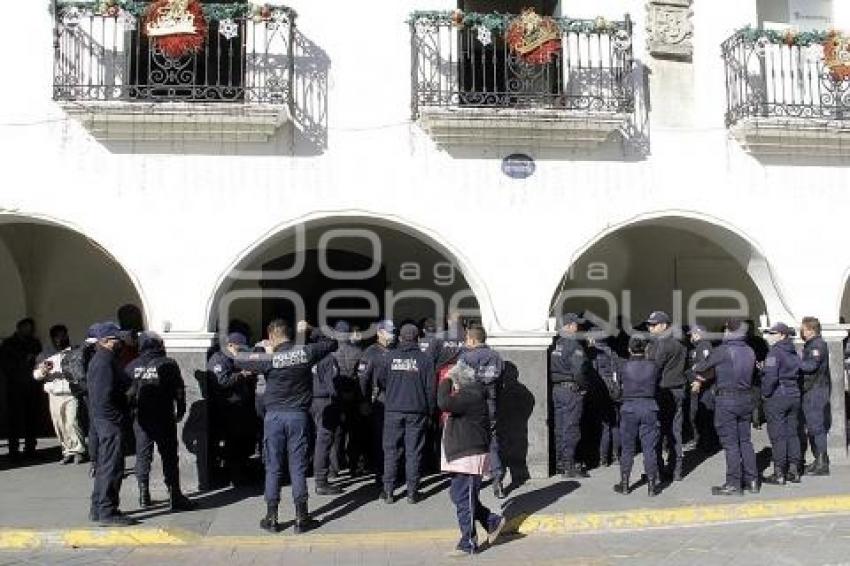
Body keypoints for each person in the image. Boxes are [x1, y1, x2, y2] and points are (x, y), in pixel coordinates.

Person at [237, 319, 338, 534]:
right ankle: (302, 518)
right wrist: (311, 329)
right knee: (298, 467)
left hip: (273, 418)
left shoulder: (268, 357)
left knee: (273, 467)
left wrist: (255, 348)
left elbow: (241, 361)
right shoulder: (305, 352)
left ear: (272, 336)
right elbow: (332, 343)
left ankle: (272, 518)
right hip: (298, 417)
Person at [438, 361, 506, 557]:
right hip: (462, 454)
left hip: (468, 455)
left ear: (458, 381)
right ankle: (491, 521)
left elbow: (443, 402)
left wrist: (447, 379)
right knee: (460, 497)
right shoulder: (469, 394)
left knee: (464, 499)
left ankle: (468, 542)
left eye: (453, 383)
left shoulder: (470, 395)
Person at [126, 332, 194, 511]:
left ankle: (144, 495)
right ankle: (174, 496)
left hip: (141, 418)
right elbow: (178, 389)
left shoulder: (132, 365)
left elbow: (126, 393)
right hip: (164, 416)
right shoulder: (168, 364)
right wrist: (181, 408)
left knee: (143, 455)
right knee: (169, 456)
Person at [692, 319, 758, 496]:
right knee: (745, 440)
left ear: (729, 331)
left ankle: (733, 483)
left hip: (727, 400)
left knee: (730, 444)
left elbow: (702, 366)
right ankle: (752, 480)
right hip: (746, 398)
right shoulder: (749, 350)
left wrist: (696, 368)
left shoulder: (722, 350)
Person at [378, 323, 436, 504]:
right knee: (414, 452)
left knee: (391, 451)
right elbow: (430, 389)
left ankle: (388, 491)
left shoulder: (389, 357)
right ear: (418, 338)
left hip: (393, 410)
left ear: (400, 338)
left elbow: (381, 381)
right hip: (417, 411)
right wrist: (431, 411)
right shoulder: (425, 359)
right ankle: (412, 492)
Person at [86, 322, 135, 525]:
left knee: (106, 465)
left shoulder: (105, 359)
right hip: (109, 421)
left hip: (104, 419)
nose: (120, 342)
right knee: (111, 466)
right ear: (105, 341)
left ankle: (98, 508)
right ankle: (108, 511)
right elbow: (103, 396)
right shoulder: (104, 361)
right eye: (116, 339)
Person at [458, 326, 506, 499]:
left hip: (472, 404)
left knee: (471, 442)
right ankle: (498, 480)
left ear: (472, 340)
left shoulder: (466, 357)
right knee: (492, 439)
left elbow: (459, 383)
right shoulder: (496, 356)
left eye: (466, 339)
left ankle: (473, 481)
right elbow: (500, 382)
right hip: (491, 403)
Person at [207, 332, 258, 485]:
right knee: (231, 444)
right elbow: (221, 382)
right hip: (227, 409)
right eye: (240, 348)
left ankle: (240, 472)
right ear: (230, 345)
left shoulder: (231, 358)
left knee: (239, 442)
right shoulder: (219, 359)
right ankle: (233, 477)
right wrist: (241, 375)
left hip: (238, 407)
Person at [32, 324, 87, 465]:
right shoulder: (44, 355)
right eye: (57, 336)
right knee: (59, 424)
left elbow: (81, 370)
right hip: (54, 394)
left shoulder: (75, 352)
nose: (60, 339)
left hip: (70, 393)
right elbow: (36, 375)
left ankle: (78, 451)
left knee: (72, 422)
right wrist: (44, 370)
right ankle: (67, 450)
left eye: (63, 335)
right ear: (52, 338)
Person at [614, 336, 661, 497]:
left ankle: (625, 484)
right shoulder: (653, 366)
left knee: (627, 448)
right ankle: (652, 486)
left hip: (629, 407)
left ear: (629, 349)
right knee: (650, 448)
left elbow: (616, 388)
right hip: (649, 406)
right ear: (645, 349)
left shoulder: (623, 366)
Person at [646, 311, 687, 482]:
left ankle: (658, 470)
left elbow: (654, 368)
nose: (650, 327)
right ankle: (676, 469)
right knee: (675, 431)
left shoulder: (662, 344)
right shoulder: (680, 342)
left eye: (654, 324)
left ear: (664, 326)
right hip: (678, 390)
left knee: (657, 431)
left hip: (663, 391)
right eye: (649, 324)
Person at [760, 322, 802, 485]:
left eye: (773, 333)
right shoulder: (794, 352)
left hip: (778, 396)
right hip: (794, 395)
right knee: (793, 434)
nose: (770, 336)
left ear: (782, 335)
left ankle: (779, 473)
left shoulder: (774, 353)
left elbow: (771, 377)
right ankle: (794, 470)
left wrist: (765, 393)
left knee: (778, 436)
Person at [549, 313, 589, 478]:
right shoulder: (574, 345)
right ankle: (568, 465)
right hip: (571, 390)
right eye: (575, 325)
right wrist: (583, 386)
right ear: (569, 326)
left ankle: (560, 462)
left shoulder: (557, 343)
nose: (577, 328)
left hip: (557, 389)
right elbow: (579, 370)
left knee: (560, 427)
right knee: (571, 428)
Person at [356, 320, 396, 480]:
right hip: (378, 401)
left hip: (395, 401)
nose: (392, 334)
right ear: (379, 332)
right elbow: (362, 379)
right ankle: (380, 472)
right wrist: (364, 401)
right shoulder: (370, 352)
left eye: (393, 331)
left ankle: (392, 471)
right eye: (388, 331)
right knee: (380, 438)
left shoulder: (396, 350)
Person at [0, 318, 43, 459]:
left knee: (31, 417)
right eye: (26, 328)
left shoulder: (34, 342)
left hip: (31, 385)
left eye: (30, 328)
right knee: (15, 419)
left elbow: (39, 359)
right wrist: (23, 361)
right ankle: (13, 449)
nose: (28, 330)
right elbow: (5, 364)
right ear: (19, 328)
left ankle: (30, 447)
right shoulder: (8, 344)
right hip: (15, 386)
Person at [330, 321, 366, 477]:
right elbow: (362, 376)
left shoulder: (330, 353)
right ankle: (354, 466)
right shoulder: (358, 352)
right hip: (353, 395)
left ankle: (333, 468)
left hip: (336, 396)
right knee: (354, 432)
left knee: (336, 434)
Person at [310, 334, 344, 496]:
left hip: (310, 401)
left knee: (315, 438)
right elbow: (332, 385)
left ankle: (317, 474)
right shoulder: (329, 359)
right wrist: (338, 403)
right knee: (324, 440)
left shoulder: (308, 356)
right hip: (325, 402)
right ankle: (321, 481)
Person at [799, 316, 831, 476]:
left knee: (817, 428)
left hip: (816, 391)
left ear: (811, 330)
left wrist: (794, 362)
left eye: (803, 329)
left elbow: (811, 366)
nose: (801, 331)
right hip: (812, 390)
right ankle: (817, 460)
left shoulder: (817, 345)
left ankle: (822, 463)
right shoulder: (812, 345)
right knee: (812, 427)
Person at [590, 333, 621, 467]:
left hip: (601, 393)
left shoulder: (594, 353)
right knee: (615, 424)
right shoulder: (613, 354)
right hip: (615, 392)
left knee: (604, 426)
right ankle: (615, 456)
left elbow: (592, 375)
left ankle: (603, 459)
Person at [685, 325, 716, 452]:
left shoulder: (704, 346)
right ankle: (702, 441)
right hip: (697, 387)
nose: (691, 337)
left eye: (693, 334)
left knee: (703, 415)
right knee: (697, 415)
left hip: (703, 388)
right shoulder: (696, 347)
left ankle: (707, 443)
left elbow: (706, 366)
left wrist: (697, 380)